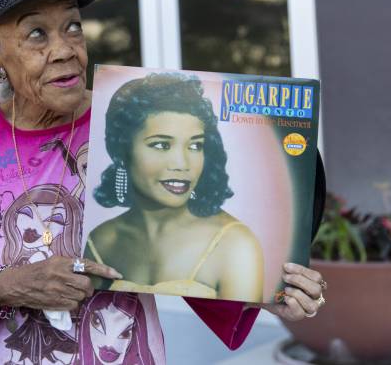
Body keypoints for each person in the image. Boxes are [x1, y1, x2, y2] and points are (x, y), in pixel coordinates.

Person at [0, 0, 327, 365]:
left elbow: (182, 245)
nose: (65, 50)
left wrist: (269, 290)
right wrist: (9, 284)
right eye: (36, 34)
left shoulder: (124, 124)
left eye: (73, 27)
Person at [84, 73, 264, 302]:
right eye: (161, 145)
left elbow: (241, 332)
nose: (182, 164)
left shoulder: (235, 245)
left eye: (195, 145)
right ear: (121, 151)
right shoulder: (99, 241)